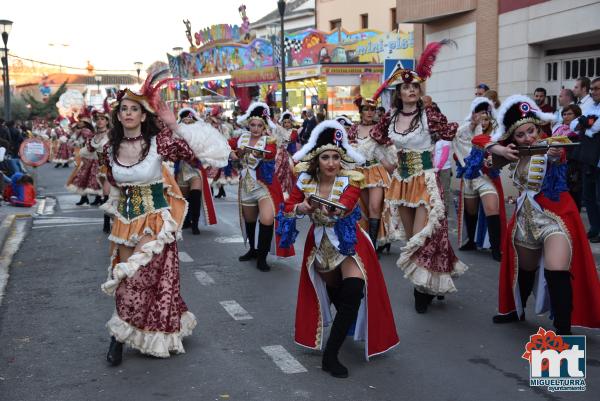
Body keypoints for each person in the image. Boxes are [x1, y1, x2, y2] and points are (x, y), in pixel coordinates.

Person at [277, 120, 399, 378]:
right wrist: (302, 208)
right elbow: (287, 209)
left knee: (354, 289)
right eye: (325, 157)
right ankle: (347, 327)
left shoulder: (351, 179)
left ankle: (330, 355)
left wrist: (336, 208)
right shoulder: (305, 181)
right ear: (316, 160)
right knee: (339, 295)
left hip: (348, 242)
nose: (331, 163)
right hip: (320, 246)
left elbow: (348, 202)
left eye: (336, 156)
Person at [99, 71, 203, 365]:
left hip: (154, 218)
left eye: (134, 109)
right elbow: (114, 183)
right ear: (118, 116)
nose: (128, 113)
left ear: (144, 116)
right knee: (124, 279)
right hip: (124, 220)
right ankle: (124, 333)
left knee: (138, 277)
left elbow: (193, 156)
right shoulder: (110, 149)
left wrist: (172, 125)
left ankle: (116, 339)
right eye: (124, 109)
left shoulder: (160, 144)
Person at [366, 39, 468, 313]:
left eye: (414, 87)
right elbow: (373, 144)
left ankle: (421, 290)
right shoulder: (389, 118)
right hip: (400, 182)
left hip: (425, 180)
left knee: (423, 236)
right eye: (405, 87)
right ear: (398, 93)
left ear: (419, 90)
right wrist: (385, 164)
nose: (410, 90)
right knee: (412, 238)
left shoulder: (429, 115)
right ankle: (427, 282)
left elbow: (452, 134)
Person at [486, 94, 600, 334]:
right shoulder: (512, 152)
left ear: (539, 129)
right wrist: (501, 150)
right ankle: (517, 310)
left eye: (532, 131)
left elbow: (564, 144)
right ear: (512, 138)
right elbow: (483, 144)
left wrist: (555, 154)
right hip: (526, 220)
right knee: (525, 269)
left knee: (557, 268)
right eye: (521, 134)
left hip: (555, 217)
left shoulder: (551, 144)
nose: (529, 137)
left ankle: (563, 331)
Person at [231, 102, 295, 272]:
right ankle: (253, 249)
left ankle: (262, 257)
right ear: (248, 124)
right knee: (250, 221)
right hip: (246, 186)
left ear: (265, 126)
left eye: (260, 125)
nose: (256, 128)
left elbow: (271, 153)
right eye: (253, 125)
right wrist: (234, 153)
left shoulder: (269, 141)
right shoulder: (241, 138)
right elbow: (227, 148)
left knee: (267, 219)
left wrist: (260, 154)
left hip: (264, 186)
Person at [453, 97, 506, 261]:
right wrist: (472, 125)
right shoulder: (466, 130)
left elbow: (501, 153)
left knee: (492, 209)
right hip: (469, 178)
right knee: (471, 211)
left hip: (486, 178)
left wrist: (493, 161)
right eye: (479, 115)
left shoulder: (496, 133)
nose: (483, 120)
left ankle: (496, 248)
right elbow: (457, 139)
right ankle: (471, 241)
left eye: (486, 116)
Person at [174, 108, 230, 235]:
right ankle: (186, 221)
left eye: (190, 118)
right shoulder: (176, 133)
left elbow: (211, 149)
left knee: (195, 195)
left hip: (196, 169)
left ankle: (195, 223)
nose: (187, 121)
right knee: (183, 199)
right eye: (185, 119)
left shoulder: (203, 134)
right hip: (182, 169)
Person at [347, 96, 391, 254]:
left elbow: (388, 148)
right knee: (363, 208)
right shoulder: (353, 129)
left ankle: (372, 246)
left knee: (374, 206)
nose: (370, 112)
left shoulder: (379, 129)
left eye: (373, 109)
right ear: (361, 112)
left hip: (375, 170)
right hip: (359, 172)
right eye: (366, 109)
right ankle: (367, 241)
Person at [570, 77, 600, 241]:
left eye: (597, 89)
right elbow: (573, 124)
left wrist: (586, 123)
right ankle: (595, 228)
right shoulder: (591, 106)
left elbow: (595, 127)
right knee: (588, 197)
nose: (593, 92)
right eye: (592, 89)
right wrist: (586, 123)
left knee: (598, 197)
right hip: (589, 158)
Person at [66, 108, 103, 206]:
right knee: (85, 177)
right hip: (87, 157)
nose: (79, 123)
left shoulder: (85, 131)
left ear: (85, 122)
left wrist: (77, 143)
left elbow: (89, 143)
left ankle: (95, 197)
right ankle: (86, 197)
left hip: (91, 157)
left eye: (81, 121)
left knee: (89, 177)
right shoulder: (85, 130)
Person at [552, 104, 583, 210]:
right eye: (564, 114)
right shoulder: (559, 128)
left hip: (573, 165)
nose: (566, 116)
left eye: (569, 114)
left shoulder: (580, 130)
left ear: (577, 115)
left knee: (573, 195)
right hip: (556, 164)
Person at [91, 99, 113, 232]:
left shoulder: (111, 134)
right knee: (108, 195)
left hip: (111, 167)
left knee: (107, 193)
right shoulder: (95, 136)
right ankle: (109, 222)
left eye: (102, 119)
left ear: (107, 121)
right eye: (97, 119)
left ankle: (107, 223)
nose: (99, 121)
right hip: (100, 167)